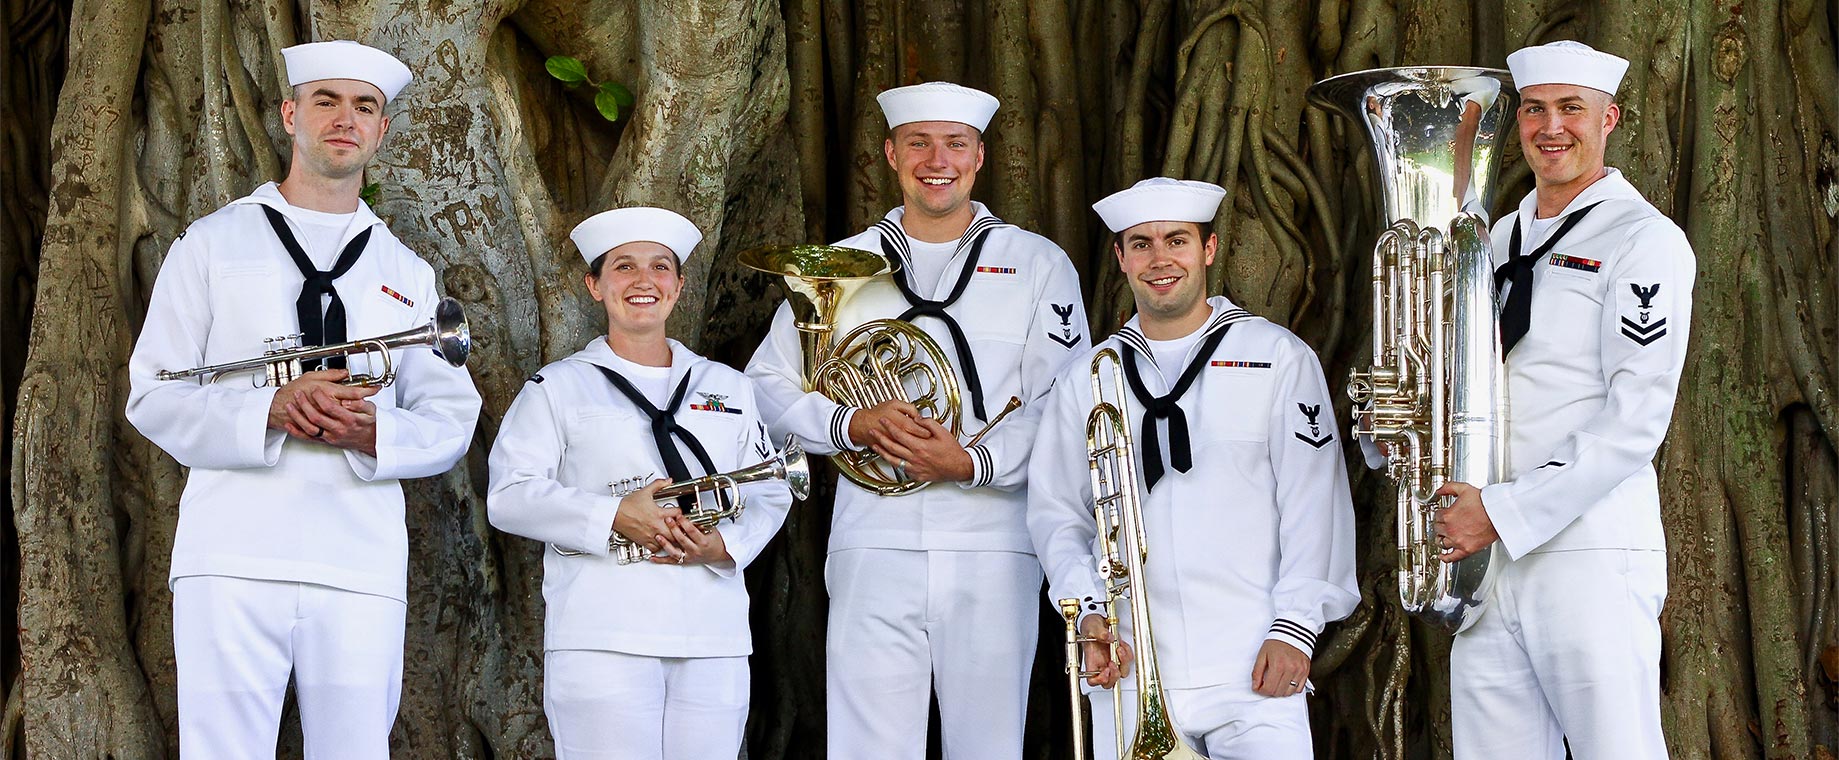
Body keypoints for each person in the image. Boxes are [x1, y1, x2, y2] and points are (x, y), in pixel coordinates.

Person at [125, 40, 481, 758]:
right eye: (326, 101)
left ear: (380, 131)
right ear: (291, 115)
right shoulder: (211, 243)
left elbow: (452, 416)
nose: (345, 119)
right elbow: (153, 392)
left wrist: (372, 430)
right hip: (229, 553)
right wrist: (269, 410)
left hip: (358, 559)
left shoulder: (406, 271)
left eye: (365, 107)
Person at [744, 81, 1088, 758]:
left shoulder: (1038, 264)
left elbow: (1063, 400)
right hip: (873, 536)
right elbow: (764, 388)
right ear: (890, 154)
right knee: (865, 746)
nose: (938, 159)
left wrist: (970, 461)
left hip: (994, 539)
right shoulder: (835, 264)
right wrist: (849, 424)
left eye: (954, 144)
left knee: (987, 745)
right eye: (919, 143)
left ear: (980, 156)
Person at [1028, 177, 1359, 758]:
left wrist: (1297, 627)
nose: (1160, 260)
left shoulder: (1277, 357)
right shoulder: (1087, 378)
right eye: (1141, 244)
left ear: (1208, 249)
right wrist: (1087, 614)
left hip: (1254, 659)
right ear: (1121, 258)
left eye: (1176, 241)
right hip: (1131, 665)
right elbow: (1058, 512)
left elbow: (1314, 502)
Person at [1432, 40, 1695, 758]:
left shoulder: (1643, 239)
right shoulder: (1494, 239)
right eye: (1536, 110)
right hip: (1485, 567)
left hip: (1587, 551)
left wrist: (1503, 510)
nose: (1552, 127)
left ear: (1607, 119)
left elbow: (1635, 417)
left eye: (1571, 109)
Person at [487, 207, 793, 760]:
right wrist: (613, 516)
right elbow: (509, 495)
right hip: (604, 634)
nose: (643, 281)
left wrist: (727, 545)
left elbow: (771, 487)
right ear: (594, 285)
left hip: (712, 634)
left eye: (659, 267)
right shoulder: (556, 387)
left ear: (678, 285)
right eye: (624, 267)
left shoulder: (728, 385)